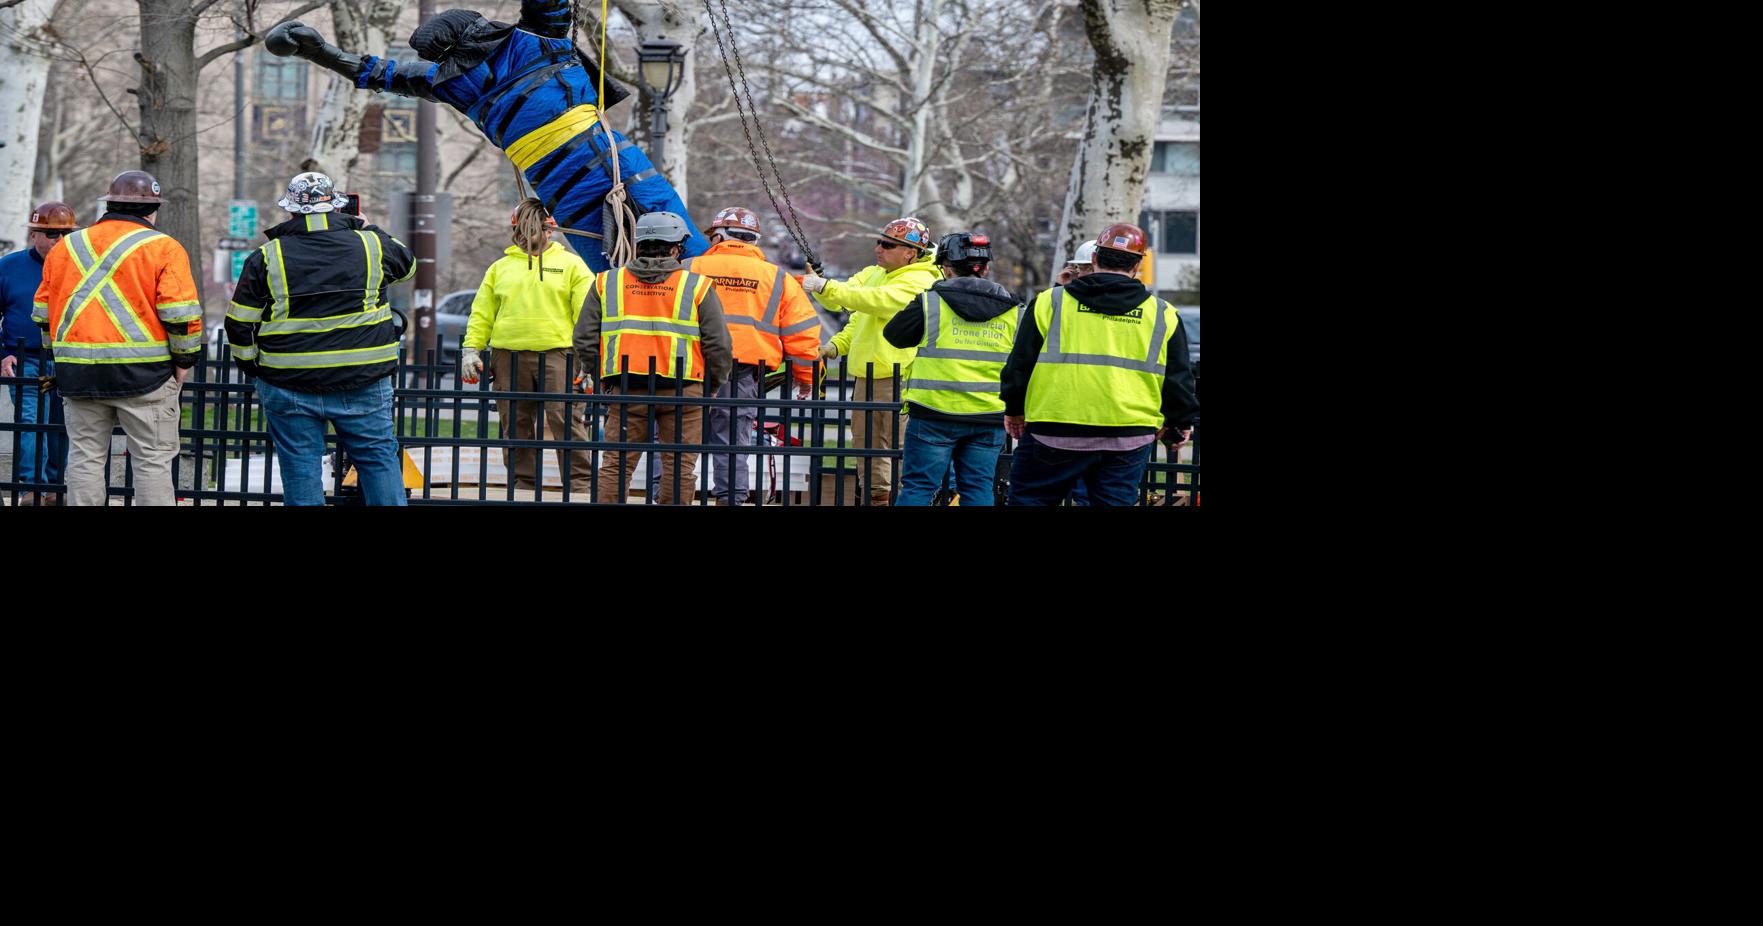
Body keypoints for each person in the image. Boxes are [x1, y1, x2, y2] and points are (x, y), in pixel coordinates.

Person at [265, 0, 708, 272]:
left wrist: (317, 50)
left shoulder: (448, 81)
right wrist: (317, 50)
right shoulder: (538, 39)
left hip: (563, 188)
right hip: (611, 163)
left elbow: (376, 73)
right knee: (683, 247)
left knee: (613, 274)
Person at [225, 171, 414, 506]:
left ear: (291, 211)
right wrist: (368, 227)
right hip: (363, 377)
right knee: (377, 460)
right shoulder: (370, 243)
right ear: (337, 207)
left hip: (287, 381)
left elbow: (239, 323)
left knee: (300, 468)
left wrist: (252, 365)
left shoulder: (268, 256)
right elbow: (408, 266)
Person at [31, 171, 204, 506]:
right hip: (145, 376)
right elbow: (180, 316)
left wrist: (57, 359)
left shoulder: (65, 247)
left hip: (78, 375)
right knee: (151, 461)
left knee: (84, 458)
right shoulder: (164, 248)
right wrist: (184, 361)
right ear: (153, 210)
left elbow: (42, 314)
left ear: (108, 203)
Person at [1000, 222, 1198, 506]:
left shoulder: (1049, 302)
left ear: (1094, 258)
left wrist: (1014, 410)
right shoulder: (1163, 314)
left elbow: (1020, 365)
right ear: (1139, 264)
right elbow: (1178, 377)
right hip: (1127, 437)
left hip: (1054, 431)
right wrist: (1179, 421)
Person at [573, 211, 731, 504]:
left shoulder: (607, 282)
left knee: (616, 464)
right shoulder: (697, 285)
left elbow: (583, 338)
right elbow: (719, 344)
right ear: (675, 248)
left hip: (627, 387)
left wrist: (604, 376)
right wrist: (712, 385)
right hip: (684, 391)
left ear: (639, 244)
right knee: (679, 467)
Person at [682, 206, 819, 505]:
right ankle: (730, 499)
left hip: (689, 366)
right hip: (741, 371)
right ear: (753, 241)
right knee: (732, 441)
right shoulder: (778, 279)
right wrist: (806, 378)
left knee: (676, 437)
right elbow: (804, 334)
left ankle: (667, 497)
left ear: (718, 236)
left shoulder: (687, 268)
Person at [461, 198, 597, 498]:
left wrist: (589, 362)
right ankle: (523, 487)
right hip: (507, 356)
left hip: (560, 355)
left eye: (533, 229)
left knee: (565, 422)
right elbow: (482, 314)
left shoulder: (572, 265)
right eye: (522, 231)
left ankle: (579, 488)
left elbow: (587, 317)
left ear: (550, 230)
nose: (527, 236)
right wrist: (471, 349)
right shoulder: (500, 268)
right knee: (516, 424)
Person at [801, 217, 939, 506]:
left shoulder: (923, 279)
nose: (879, 248)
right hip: (866, 378)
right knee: (867, 450)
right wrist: (835, 345)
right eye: (879, 241)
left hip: (900, 378)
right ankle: (876, 500)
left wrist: (826, 286)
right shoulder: (875, 272)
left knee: (902, 450)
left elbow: (878, 300)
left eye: (888, 245)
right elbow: (849, 306)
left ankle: (907, 501)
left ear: (910, 253)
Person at [882, 231, 1020, 506]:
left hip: (933, 413)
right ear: (987, 267)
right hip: (988, 414)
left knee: (919, 487)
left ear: (945, 267)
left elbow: (894, 335)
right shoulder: (1014, 309)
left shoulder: (930, 301)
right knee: (978, 488)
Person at [1, 202, 74, 505]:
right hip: (25, 358)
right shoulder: (9, 267)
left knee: (62, 427)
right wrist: (2, 355)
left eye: (65, 233)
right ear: (34, 235)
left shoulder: (81, 267)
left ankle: (53, 490)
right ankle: (34, 487)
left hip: (69, 359)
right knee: (31, 426)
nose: (59, 240)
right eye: (51, 233)